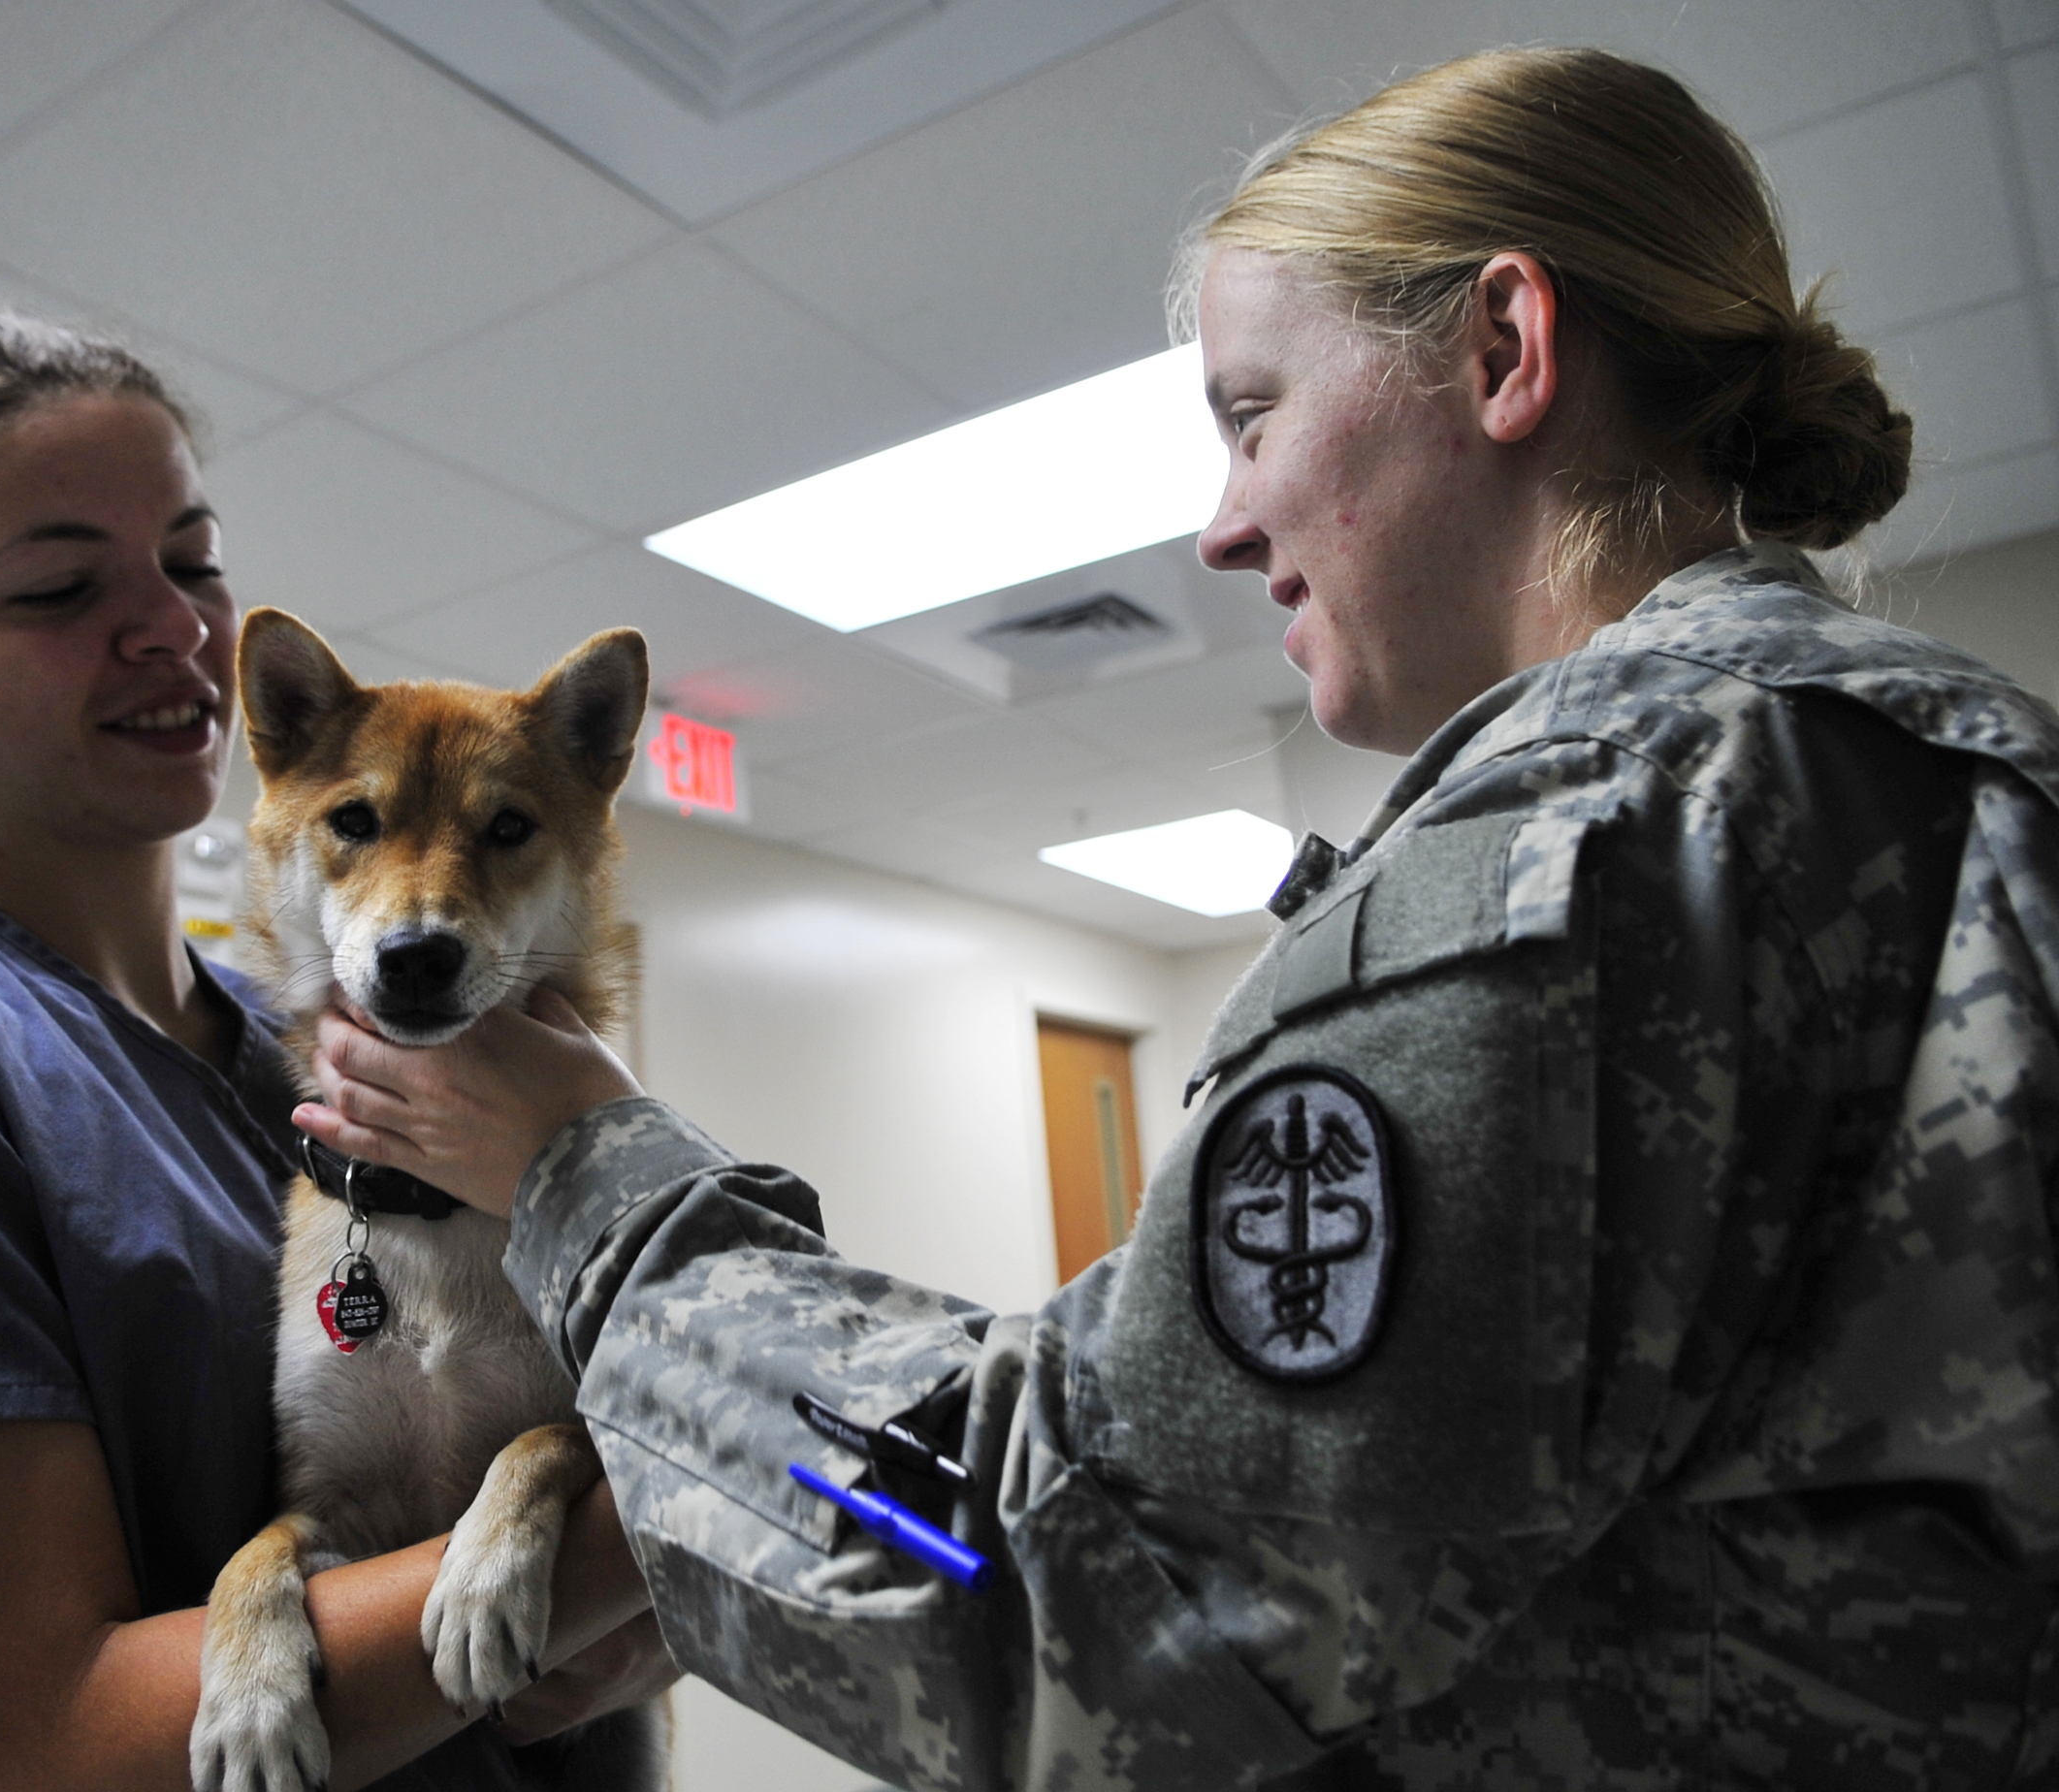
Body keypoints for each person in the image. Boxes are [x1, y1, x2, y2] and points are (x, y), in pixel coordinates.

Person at [291, 47, 2059, 1788]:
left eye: (1252, 414)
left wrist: (593, 1175)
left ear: (1505, 351)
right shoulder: (1969, 770)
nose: (1224, 527)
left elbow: (1084, 1593)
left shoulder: (1580, 851)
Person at [0, 309, 670, 1792]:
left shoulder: (323, 1065)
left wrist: (622, 1620)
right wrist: (672, 1495)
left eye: (191, 560)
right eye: (58, 586)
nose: (172, 628)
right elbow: (25, 1750)